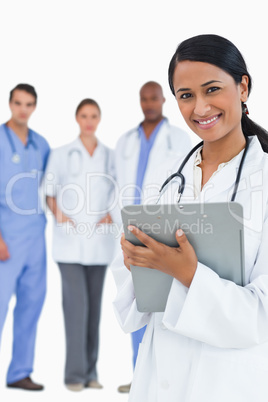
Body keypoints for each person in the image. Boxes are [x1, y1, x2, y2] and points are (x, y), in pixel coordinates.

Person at [111, 34, 268, 402]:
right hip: (158, 378)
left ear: (243, 87)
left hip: (230, 381)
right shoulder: (167, 175)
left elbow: (262, 315)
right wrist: (137, 262)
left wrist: (188, 274)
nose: (200, 108)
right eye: (186, 95)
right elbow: (136, 304)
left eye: (212, 89)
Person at [113, 81, 191, 393]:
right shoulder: (125, 140)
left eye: (154, 98)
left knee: (162, 302)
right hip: (130, 228)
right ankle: (138, 375)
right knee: (137, 301)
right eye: (144, 99)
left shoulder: (179, 137)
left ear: (163, 100)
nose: (148, 104)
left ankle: (164, 376)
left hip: (161, 226)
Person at [44, 98, 116, 392]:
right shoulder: (61, 154)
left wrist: (111, 214)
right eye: (84, 115)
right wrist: (62, 217)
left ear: (99, 119)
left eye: (94, 116)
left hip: (99, 243)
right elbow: (49, 191)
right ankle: (74, 375)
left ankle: (91, 373)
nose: (89, 120)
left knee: (94, 311)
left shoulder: (110, 156)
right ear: (77, 118)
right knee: (77, 308)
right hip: (70, 244)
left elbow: (120, 189)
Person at [0, 84, 50, 391]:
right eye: (18, 103)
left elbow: (48, 186)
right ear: (10, 103)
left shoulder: (41, 144)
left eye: (29, 104)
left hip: (35, 236)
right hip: (6, 236)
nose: (23, 109)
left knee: (32, 304)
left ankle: (20, 372)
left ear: (34, 107)